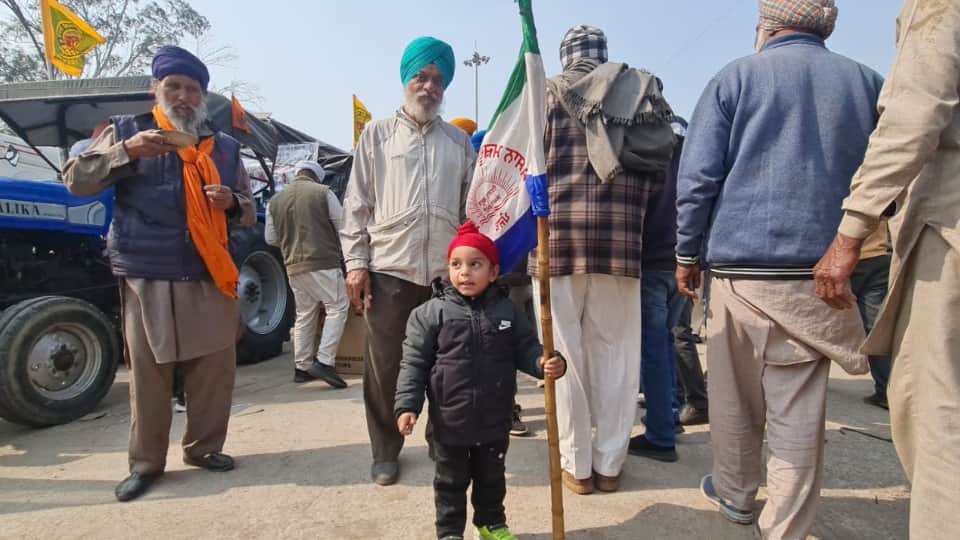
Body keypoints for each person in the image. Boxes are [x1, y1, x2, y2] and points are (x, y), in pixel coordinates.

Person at [675, 2, 883, 537]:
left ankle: (737, 498)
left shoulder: (736, 76)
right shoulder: (866, 82)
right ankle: (785, 527)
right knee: (799, 414)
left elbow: (697, 179)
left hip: (740, 275)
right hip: (822, 275)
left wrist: (686, 254)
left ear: (767, 25)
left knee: (734, 402)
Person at [62, 46, 255, 502]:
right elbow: (76, 179)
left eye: (193, 89)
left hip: (209, 273)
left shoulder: (224, 147)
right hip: (147, 274)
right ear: (156, 90)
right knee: (150, 376)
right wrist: (125, 152)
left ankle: (204, 449)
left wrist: (231, 202)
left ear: (202, 97)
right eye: (175, 87)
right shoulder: (127, 131)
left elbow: (248, 210)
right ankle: (146, 464)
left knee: (214, 370)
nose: (184, 97)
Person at [814, 3, 960, 538]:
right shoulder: (857, 75)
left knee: (936, 413)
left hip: (948, 225)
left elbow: (914, 116)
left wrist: (851, 229)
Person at [531, 25, 673, 495]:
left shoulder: (544, 95)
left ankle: (577, 466)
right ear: (605, 54)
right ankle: (611, 464)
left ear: (565, 54)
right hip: (621, 246)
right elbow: (658, 173)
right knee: (617, 356)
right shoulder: (641, 92)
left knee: (563, 357)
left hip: (557, 247)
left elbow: (521, 170)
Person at [340, 36, 476, 486]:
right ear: (406, 80)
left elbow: (470, 209)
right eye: (421, 76)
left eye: (438, 79)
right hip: (390, 272)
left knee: (445, 367)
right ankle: (385, 451)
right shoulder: (377, 135)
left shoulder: (459, 142)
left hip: (444, 275)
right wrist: (356, 264)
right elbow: (357, 205)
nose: (430, 85)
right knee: (385, 368)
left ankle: (441, 441)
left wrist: (470, 267)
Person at [395, 222, 566, 540]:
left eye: (475, 264)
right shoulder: (430, 314)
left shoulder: (508, 311)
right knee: (449, 482)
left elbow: (526, 348)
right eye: (457, 264)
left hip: (494, 420)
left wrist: (545, 362)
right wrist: (407, 406)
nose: (465, 272)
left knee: (492, 479)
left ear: (493, 271)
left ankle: (490, 524)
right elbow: (413, 364)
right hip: (449, 422)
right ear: (448, 269)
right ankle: (449, 532)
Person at [630, 118, 688, 462]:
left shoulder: (647, 153)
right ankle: (668, 414)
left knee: (652, 349)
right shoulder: (693, 156)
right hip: (683, 262)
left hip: (651, 262)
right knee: (665, 342)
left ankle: (661, 435)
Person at [265, 160, 348, 389]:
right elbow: (344, 226)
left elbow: (270, 239)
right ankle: (324, 361)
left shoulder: (275, 200)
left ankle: (302, 367)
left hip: (293, 265)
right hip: (323, 261)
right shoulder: (323, 192)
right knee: (337, 307)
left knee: (304, 313)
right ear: (317, 177)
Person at [849, 223, 892, 410]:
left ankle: (808, 382)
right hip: (879, 255)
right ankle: (886, 391)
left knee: (819, 321)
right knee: (874, 326)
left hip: (846, 257)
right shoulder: (879, 192)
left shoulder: (840, 192)